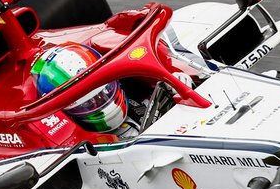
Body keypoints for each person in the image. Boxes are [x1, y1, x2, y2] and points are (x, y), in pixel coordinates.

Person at [31, 42, 195, 138]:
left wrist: (179, 86)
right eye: (88, 104)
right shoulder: (78, 142)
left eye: (105, 91)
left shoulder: (136, 95)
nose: (102, 102)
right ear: (67, 111)